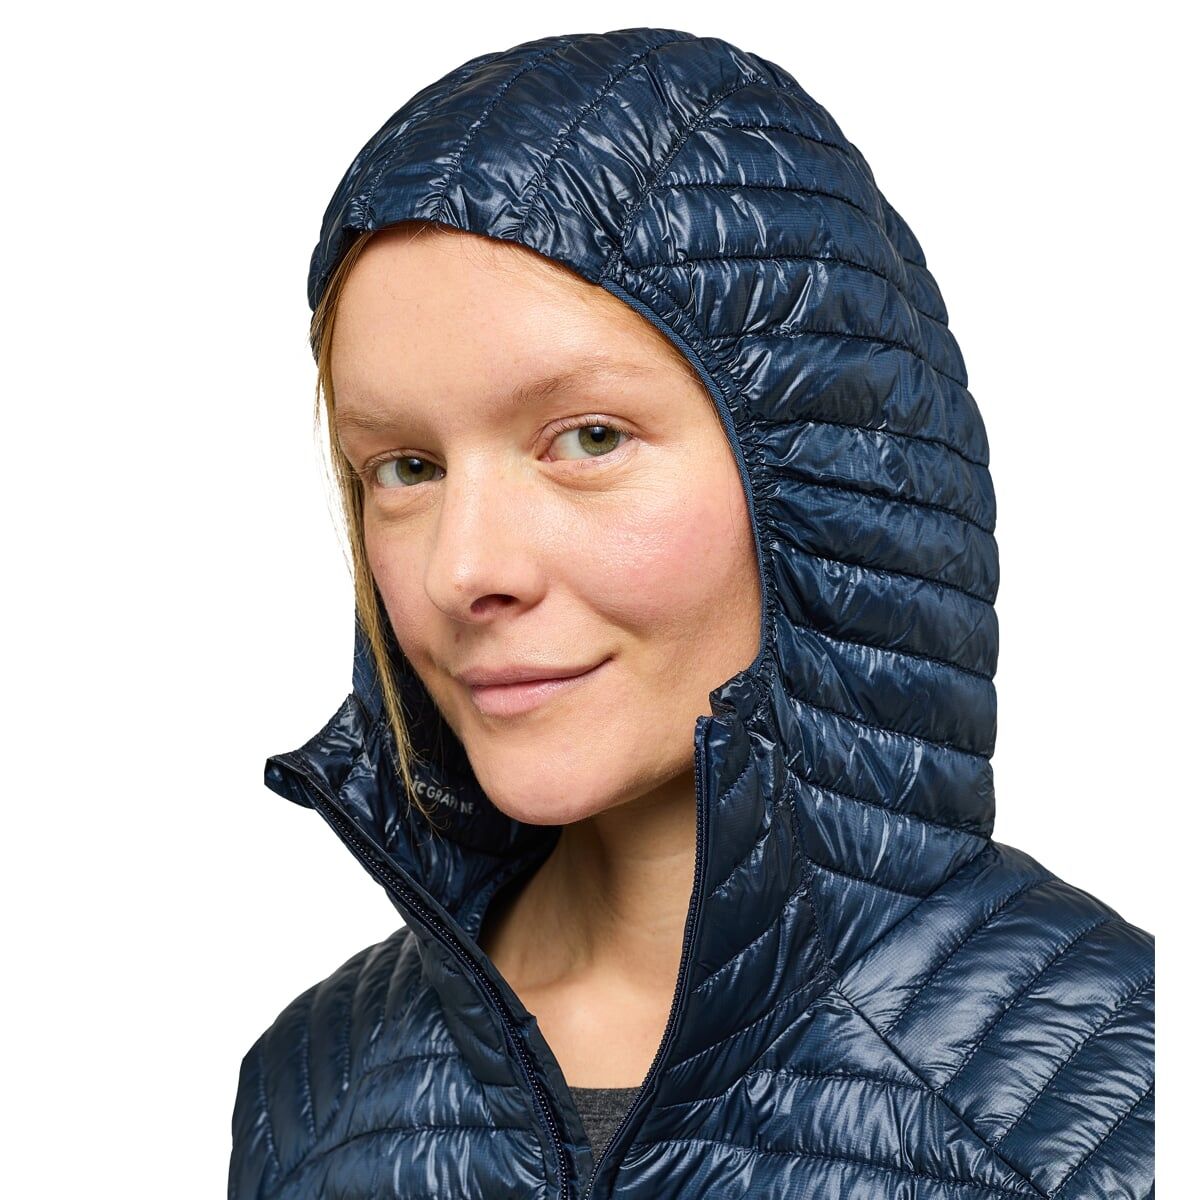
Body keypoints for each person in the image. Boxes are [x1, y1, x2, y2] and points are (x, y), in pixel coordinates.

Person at [228, 27, 1155, 1200]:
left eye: (589, 439)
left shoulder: (1109, 1102)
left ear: (826, 481)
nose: (464, 570)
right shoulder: (311, 1094)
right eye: (406, 468)